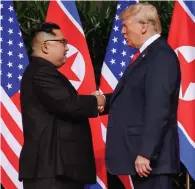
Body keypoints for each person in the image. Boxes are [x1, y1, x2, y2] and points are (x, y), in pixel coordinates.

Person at [103, 3, 181, 189]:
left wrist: (146, 152)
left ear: (144, 26)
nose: (122, 31)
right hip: (145, 160)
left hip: (152, 160)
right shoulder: (148, 55)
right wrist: (104, 101)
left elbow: (158, 107)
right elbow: (135, 97)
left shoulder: (160, 55)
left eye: (125, 25)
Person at [19, 22, 105, 189]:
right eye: (63, 42)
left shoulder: (41, 70)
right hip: (51, 171)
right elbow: (69, 104)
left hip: (55, 170)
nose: (67, 48)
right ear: (45, 46)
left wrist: (101, 101)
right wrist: (98, 101)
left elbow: (65, 104)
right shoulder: (42, 72)